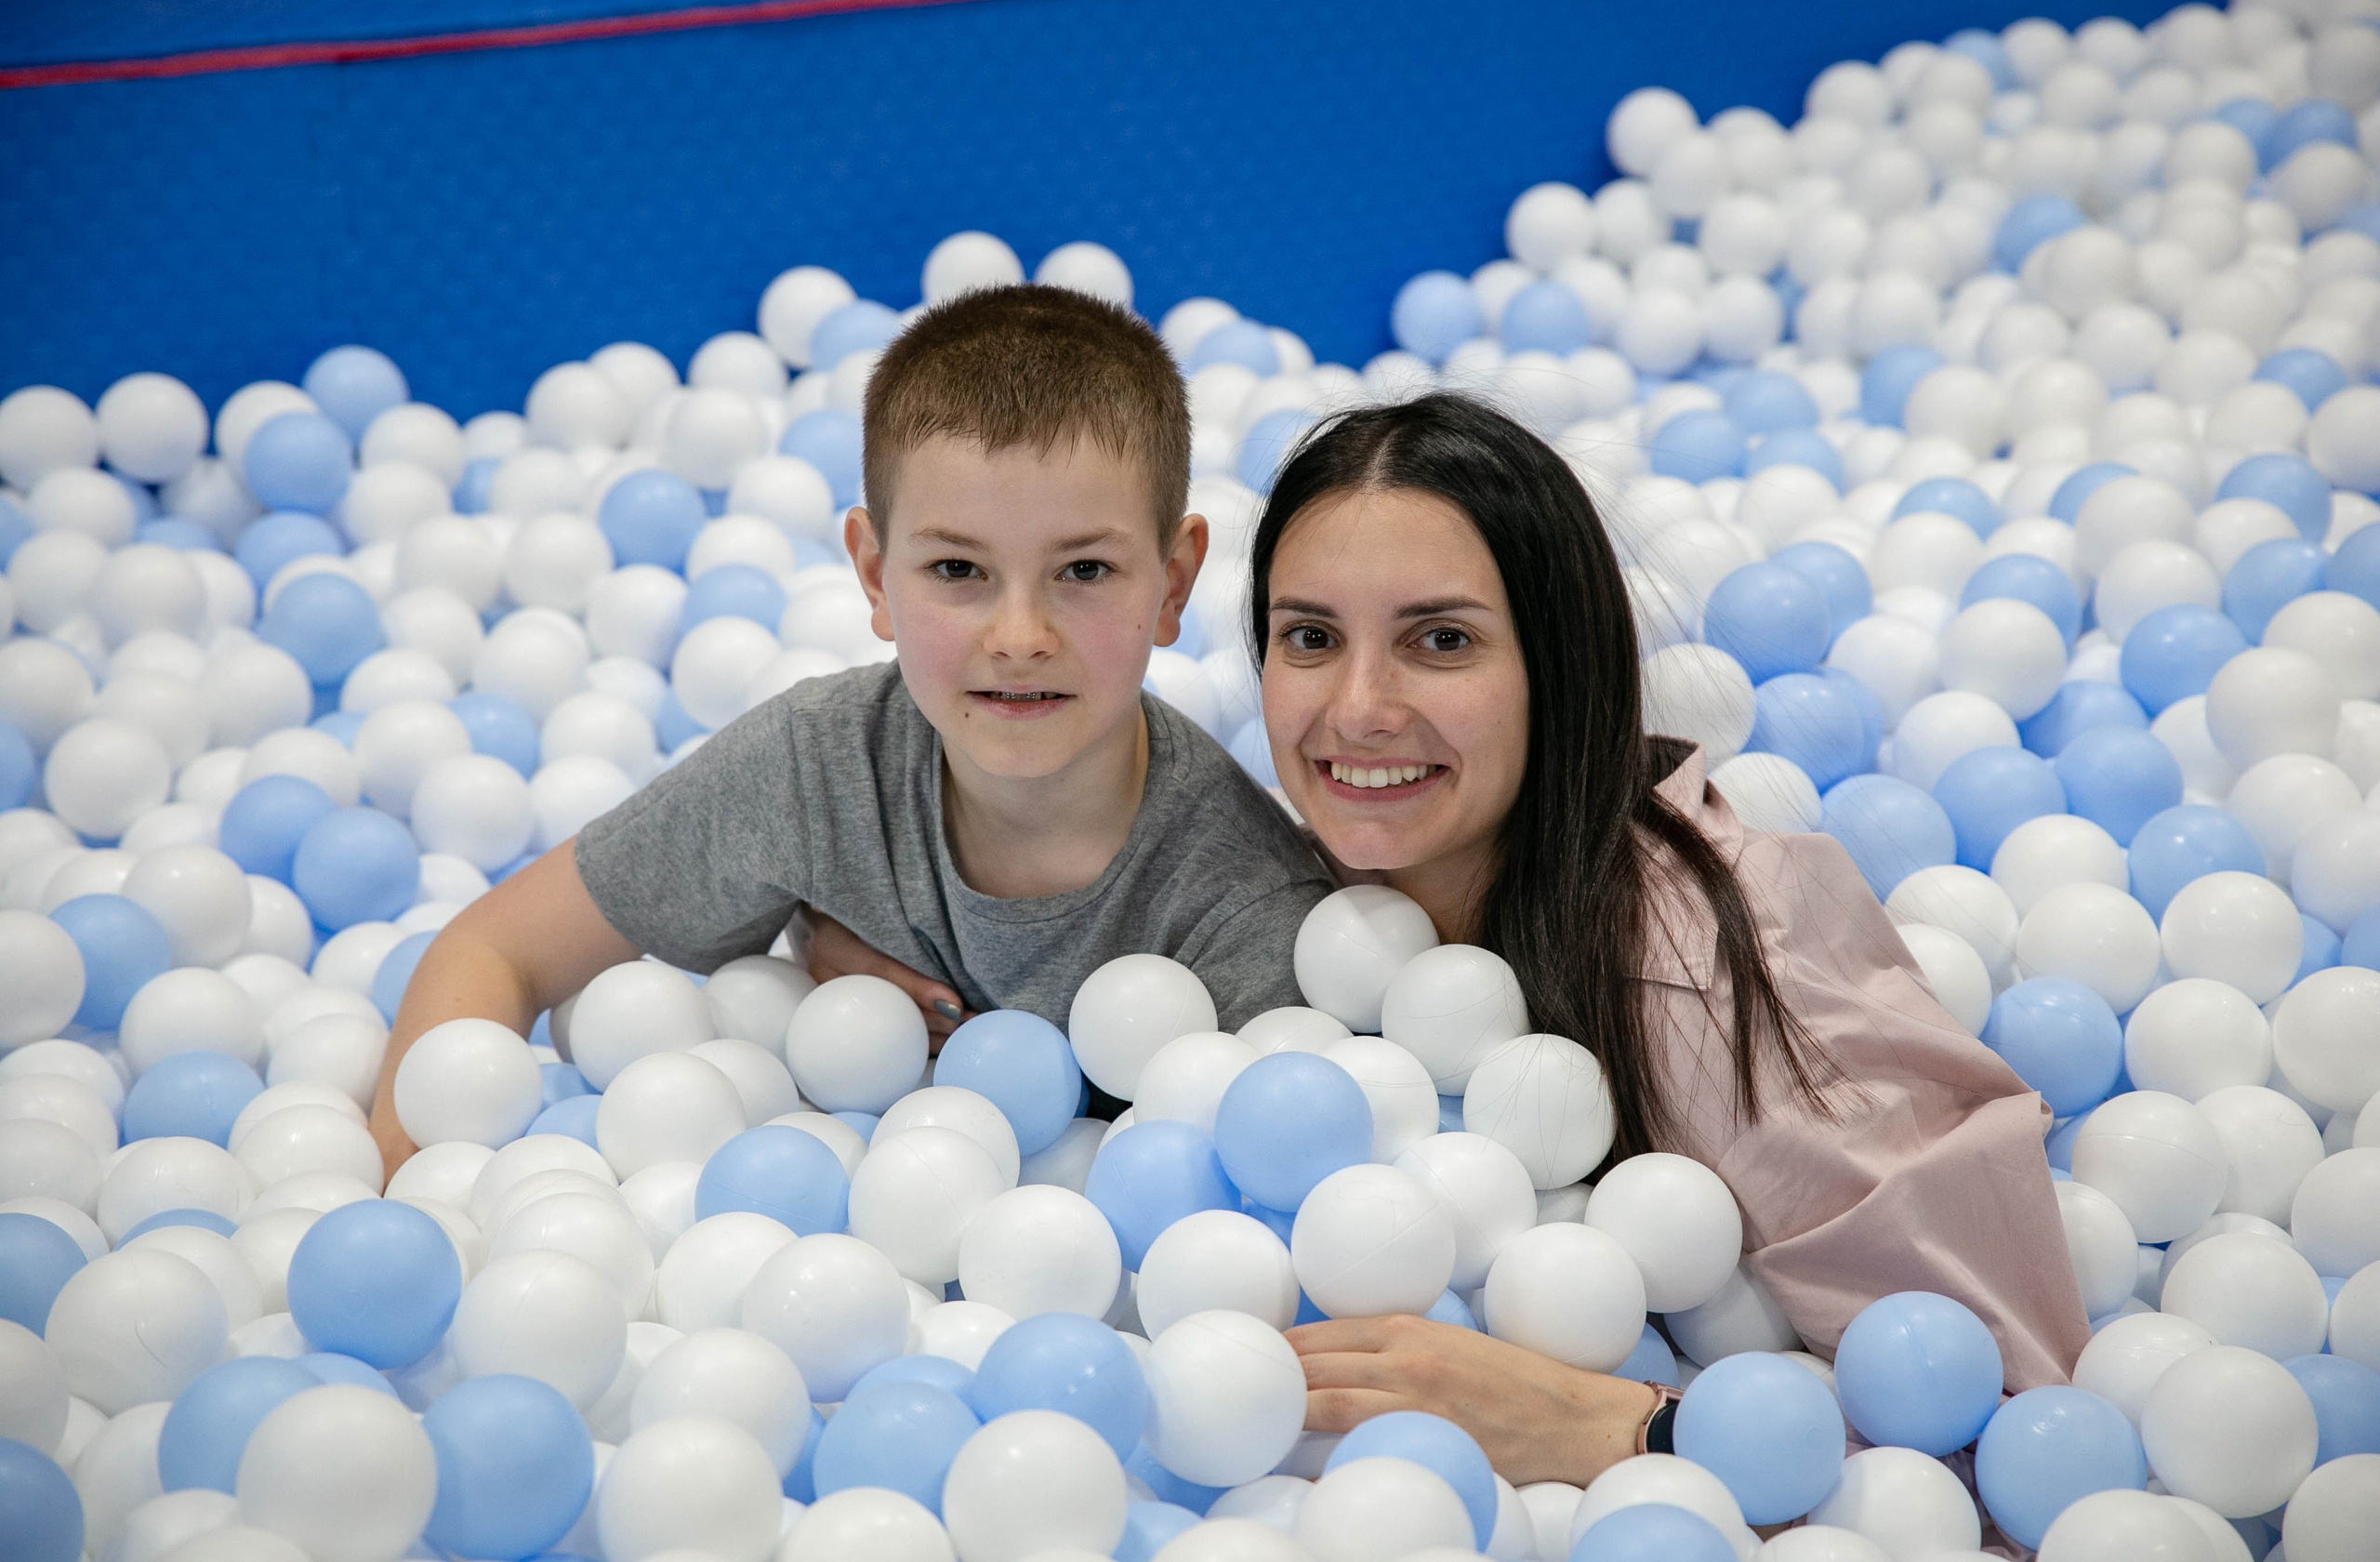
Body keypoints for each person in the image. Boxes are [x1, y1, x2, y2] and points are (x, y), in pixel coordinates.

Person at [819, 391, 2090, 1500]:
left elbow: (2015, 1423)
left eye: (1442, 639)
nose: (1359, 709)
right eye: (1311, 637)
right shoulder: (1281, 881)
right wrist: (861, 960)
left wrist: (1601, 1421)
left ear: (1559, 666)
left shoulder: (1693, 973)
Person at [367, 284, 1332, 1175]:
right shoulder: (817, 770)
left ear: (1173, 584)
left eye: (1084, 572)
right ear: (874, 576)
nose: (1019, 637)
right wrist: (414, 1208)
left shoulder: (1244, 909)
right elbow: (495, 950)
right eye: (958, 570)